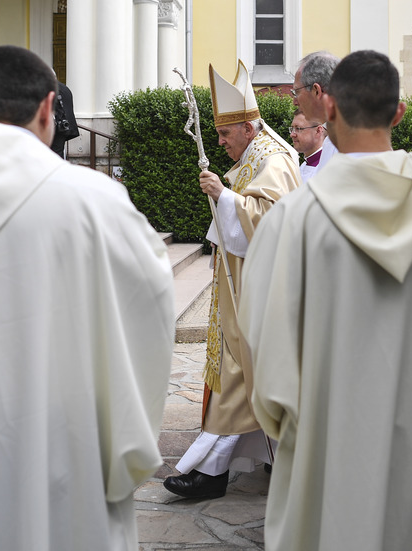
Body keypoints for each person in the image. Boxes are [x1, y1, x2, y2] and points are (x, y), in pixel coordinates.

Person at [239, 50, 412, 551]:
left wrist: (299, 427)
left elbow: (263, 355)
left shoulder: (294, 222)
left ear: (327, 107)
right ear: (400, 113)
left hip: (328, 456)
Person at [0, 45, 174, 551]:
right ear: (49, 108)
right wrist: (125, 446)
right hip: (62, 465)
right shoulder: (93, 203)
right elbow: (149, 311)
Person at [162, 59, 301, 500]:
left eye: (225, 134)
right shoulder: (254, 154)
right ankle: (275, 460)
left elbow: (272, 220)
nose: (220, 143)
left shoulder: (272, 159)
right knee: (247, 372)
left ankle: (211, 471)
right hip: (244, 285)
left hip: (261, 291)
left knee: (244, 371)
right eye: (218, 134)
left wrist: (224, 196)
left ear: (247, 126)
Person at [292, 51, 339, 173]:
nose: (294, 102)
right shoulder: (334, 136)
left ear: (316, 91)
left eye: (297, 92)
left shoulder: (348, 140)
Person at [288, 108, 327, 183]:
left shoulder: (327, 168)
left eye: (298, 128)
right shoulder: (302, 166)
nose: (292, 134)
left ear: (318, 130)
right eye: (292, 129)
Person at [50, 80, 80, 158]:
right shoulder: (64, 88)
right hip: (64, 126)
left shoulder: (48, 87)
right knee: (57, 152)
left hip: (55, 126)